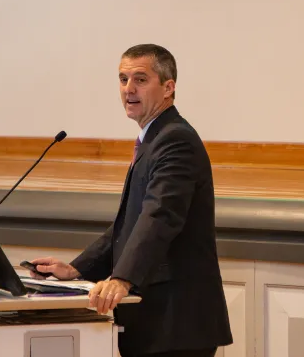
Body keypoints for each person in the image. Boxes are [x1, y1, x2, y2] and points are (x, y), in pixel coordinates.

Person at [30, 44, 233, 357]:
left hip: (176, 322)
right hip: (158, 321)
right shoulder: (154, 138)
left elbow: (159, 217)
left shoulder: (175, 139)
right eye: (123, 79)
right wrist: (76, 269)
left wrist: (122, 278)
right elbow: (129, 224)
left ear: (168, 87)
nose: (128, 89)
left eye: (140, 79)